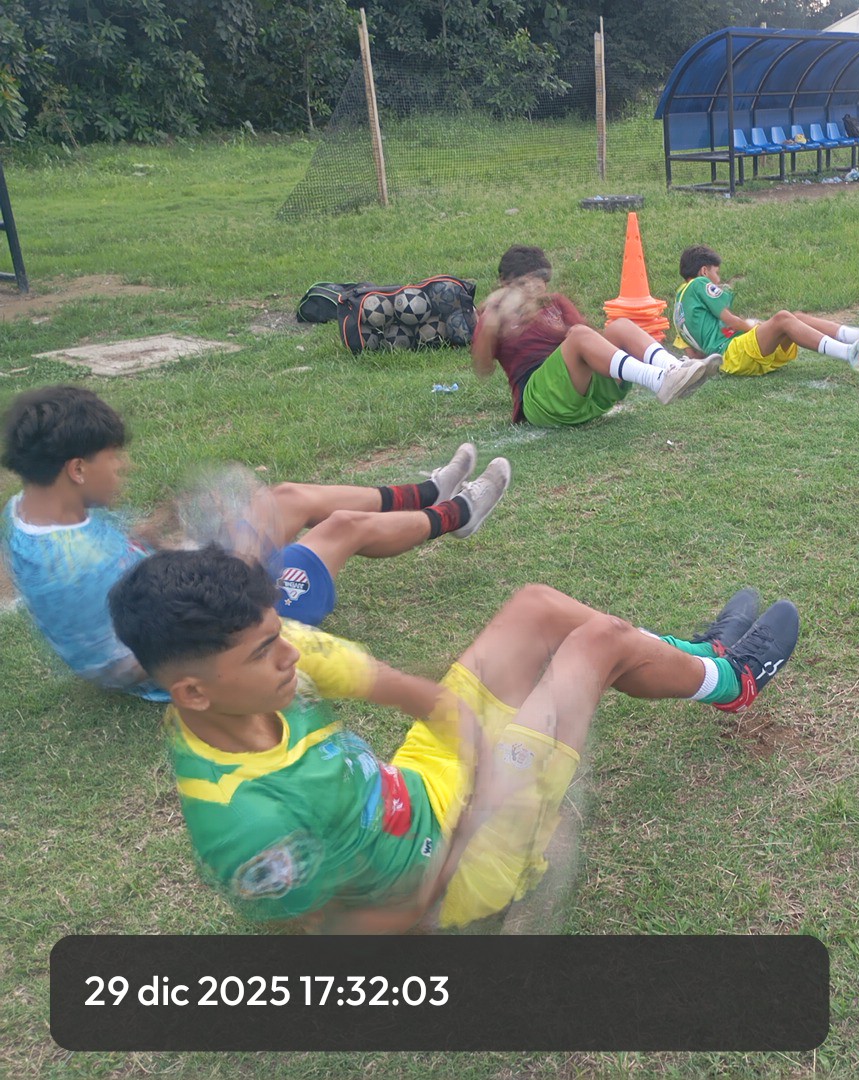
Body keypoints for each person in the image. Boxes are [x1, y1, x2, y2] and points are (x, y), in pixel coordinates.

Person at [108, 546, 801, 932]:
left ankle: (703, 658)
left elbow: (403, 690)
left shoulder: (263, 658)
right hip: (452, 876)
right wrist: (474, 818)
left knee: (537, 606)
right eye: (266, 650)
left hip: (423, 780)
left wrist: (470, 739)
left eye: (277, 633)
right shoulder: (245, 825)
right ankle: (732, 679)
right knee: (599, 644)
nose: (290, 652)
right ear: (193, 693)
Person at [0, 385, 509, 700]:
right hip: (213, 643)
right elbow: (135, 656)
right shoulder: (81, 565)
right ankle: (457, 515)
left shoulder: (29, 510)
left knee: (282, 497)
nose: (124, 466)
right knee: (340, 528)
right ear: (77, 469)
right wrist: (235, 565)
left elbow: (119, 582)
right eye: (113, 457)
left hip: (178, 599)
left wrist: (164, 533)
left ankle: (427, 492)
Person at [470, 245, 716, 427]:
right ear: (504, 284)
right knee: (578, 335)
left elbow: (591, 340)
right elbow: (482, 368)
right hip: (542, 402)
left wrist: (552, 326)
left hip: (584, 392)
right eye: (524, 284)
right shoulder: (495, 314)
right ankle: (659, 380)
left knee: (620, 326)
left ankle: (675, 369)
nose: (534, 289)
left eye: (539, 282)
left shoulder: (555, 303)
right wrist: (491, 325)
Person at [674, 245, 859, 375]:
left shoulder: (679, 306)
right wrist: (754, 327)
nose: (718, 280)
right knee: (782, 318)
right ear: (704, 271)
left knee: (794, 318)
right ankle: (848, 353)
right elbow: (730, 319)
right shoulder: (698, 284)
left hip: (731, 359)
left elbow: (692, 353)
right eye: (716, 273)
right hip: (733, 352)